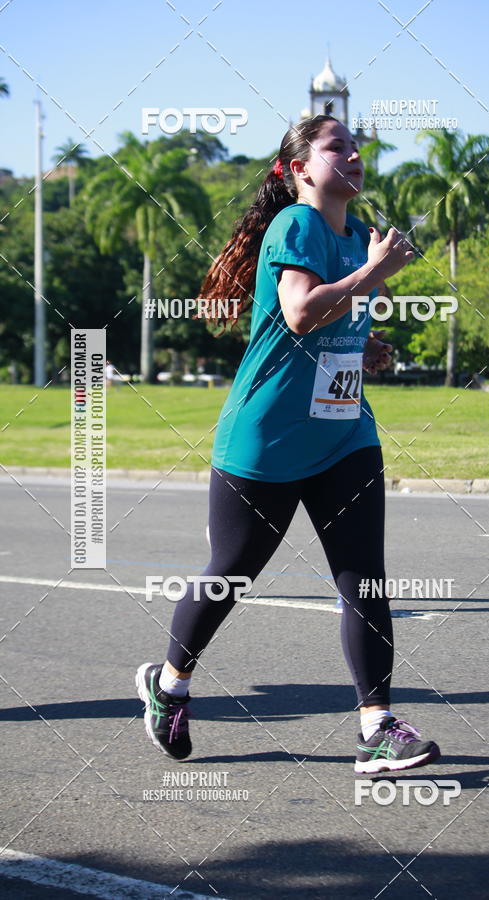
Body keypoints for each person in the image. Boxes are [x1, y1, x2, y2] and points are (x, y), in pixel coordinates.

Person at [136, 114, 440, 774]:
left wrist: (369, 349)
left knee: (363, 578)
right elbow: (300, 310)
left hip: (343, 434)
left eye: (356, 145)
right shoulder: (295, 226)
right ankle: (170, 687)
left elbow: (329, 329)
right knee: (231, 575)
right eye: (338, 148)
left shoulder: (358, 233)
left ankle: (376, 728)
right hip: (267, 440)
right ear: (301, 168)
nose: (355, 155)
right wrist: (375, 271)